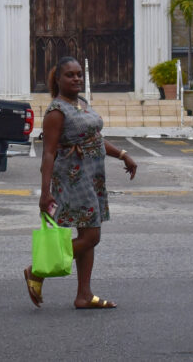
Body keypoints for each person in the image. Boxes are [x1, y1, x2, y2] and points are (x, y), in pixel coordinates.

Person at [23, 56, 137, 309]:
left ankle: (84, 295)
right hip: (72, 179)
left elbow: (94, 138)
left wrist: (123, 154)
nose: (76, 79)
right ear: (58, 79)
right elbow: (49, 153)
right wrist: (45, 192)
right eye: (70, 75)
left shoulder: (82, 104)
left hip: (92, 176)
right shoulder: (56, 111)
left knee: (87, 233)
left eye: (79, 75)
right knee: (92, 236)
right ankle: (37, 271)